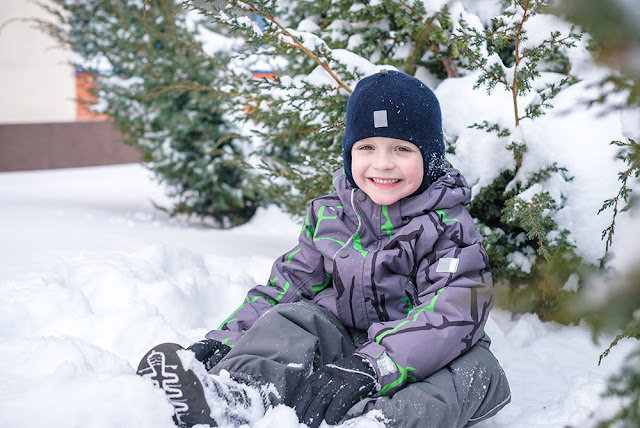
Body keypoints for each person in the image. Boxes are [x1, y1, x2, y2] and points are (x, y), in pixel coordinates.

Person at [137, 70, 511, 428]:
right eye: (367, 147)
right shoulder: (330, 215)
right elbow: (286, 287)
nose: (382, 163)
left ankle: (372, 422)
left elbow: (456, 310)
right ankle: (241, 398)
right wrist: (223, 339)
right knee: (296, 318)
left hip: (422, 357)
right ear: (350, 154)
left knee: (475, 371)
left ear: (429, 158)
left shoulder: (450, 228)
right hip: (344, 354)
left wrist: (375, 365)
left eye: (401, 148)